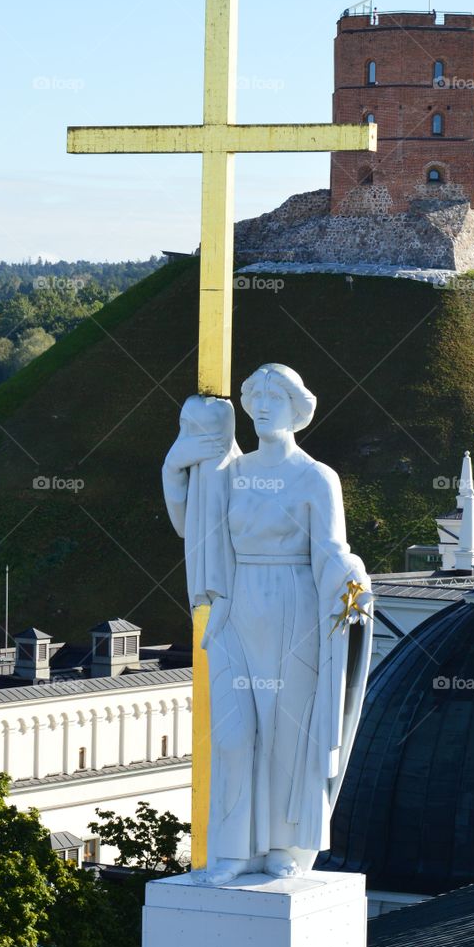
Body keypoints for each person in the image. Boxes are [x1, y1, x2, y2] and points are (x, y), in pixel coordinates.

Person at [162, 365, 373, 882]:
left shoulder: (316, 478)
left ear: (298, 408)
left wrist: (352, 583)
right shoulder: (230, 473)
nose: (260, 405)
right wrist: (173, 467)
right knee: (233, 733)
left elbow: (330, 550)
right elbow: (192, 526)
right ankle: (234, 850)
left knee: (286, 733)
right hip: (238, 606)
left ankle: (282, 844)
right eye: (253, 396)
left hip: (295, 607)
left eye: (273, 396)